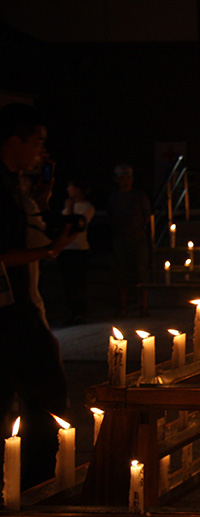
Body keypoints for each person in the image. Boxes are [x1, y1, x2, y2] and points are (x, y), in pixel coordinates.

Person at [0, 103, 76, 488]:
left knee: (34, 394)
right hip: (10, 312)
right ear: (13, 141)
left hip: (23, 306)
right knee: (45, 395)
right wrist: (48, 252)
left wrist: (44, 204)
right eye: (36, 142)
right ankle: (41, 481)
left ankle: (34, 478)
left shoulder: (18, 187)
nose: (40, 152)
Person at [107, 164, 151, 317]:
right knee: (121, 273)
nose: (126, 181)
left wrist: (140, 232)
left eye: (128, 178)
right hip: (120, 239)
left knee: (141, 272)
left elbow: (146, 216)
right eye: (122, 178)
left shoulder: (139, 196)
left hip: (137, 240)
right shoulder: (113, 198)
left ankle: (143, 306)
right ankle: (123, 306)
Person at [58, 177, 94, 324]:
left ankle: (80, 313)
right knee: (67, 282)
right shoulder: (68, 206)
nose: (68, 189)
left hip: (79, 249)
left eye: (71, 187)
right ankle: (71, 312)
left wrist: (71, 209)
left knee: (78, 282)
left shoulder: (87, 207)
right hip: (66, 248)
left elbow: (77, 225)